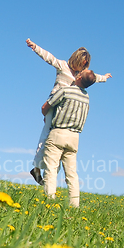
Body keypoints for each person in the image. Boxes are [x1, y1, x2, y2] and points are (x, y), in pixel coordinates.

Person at [26, 38, 111, 184]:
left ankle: (48, 176)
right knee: (46, 136)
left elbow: (93, 78)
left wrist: (104, 78)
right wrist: (35, 47)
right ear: (76, 59)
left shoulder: (82, 74)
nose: (81, 69)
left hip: (64, 110)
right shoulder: (63, 66)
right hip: (53, 104)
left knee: (57, 144)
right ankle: (37, 168)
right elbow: (49, 57)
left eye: (84, 66)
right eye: (80, 65)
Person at [42, 69, 96, 207]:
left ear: (78, 77)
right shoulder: (87, 97)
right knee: (72, 174)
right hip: (74, 138)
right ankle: (74, 205)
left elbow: (45, 107)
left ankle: (49, 201)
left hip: (58, 133)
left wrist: (47, 117)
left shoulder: (66, 91)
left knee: (51, 169)